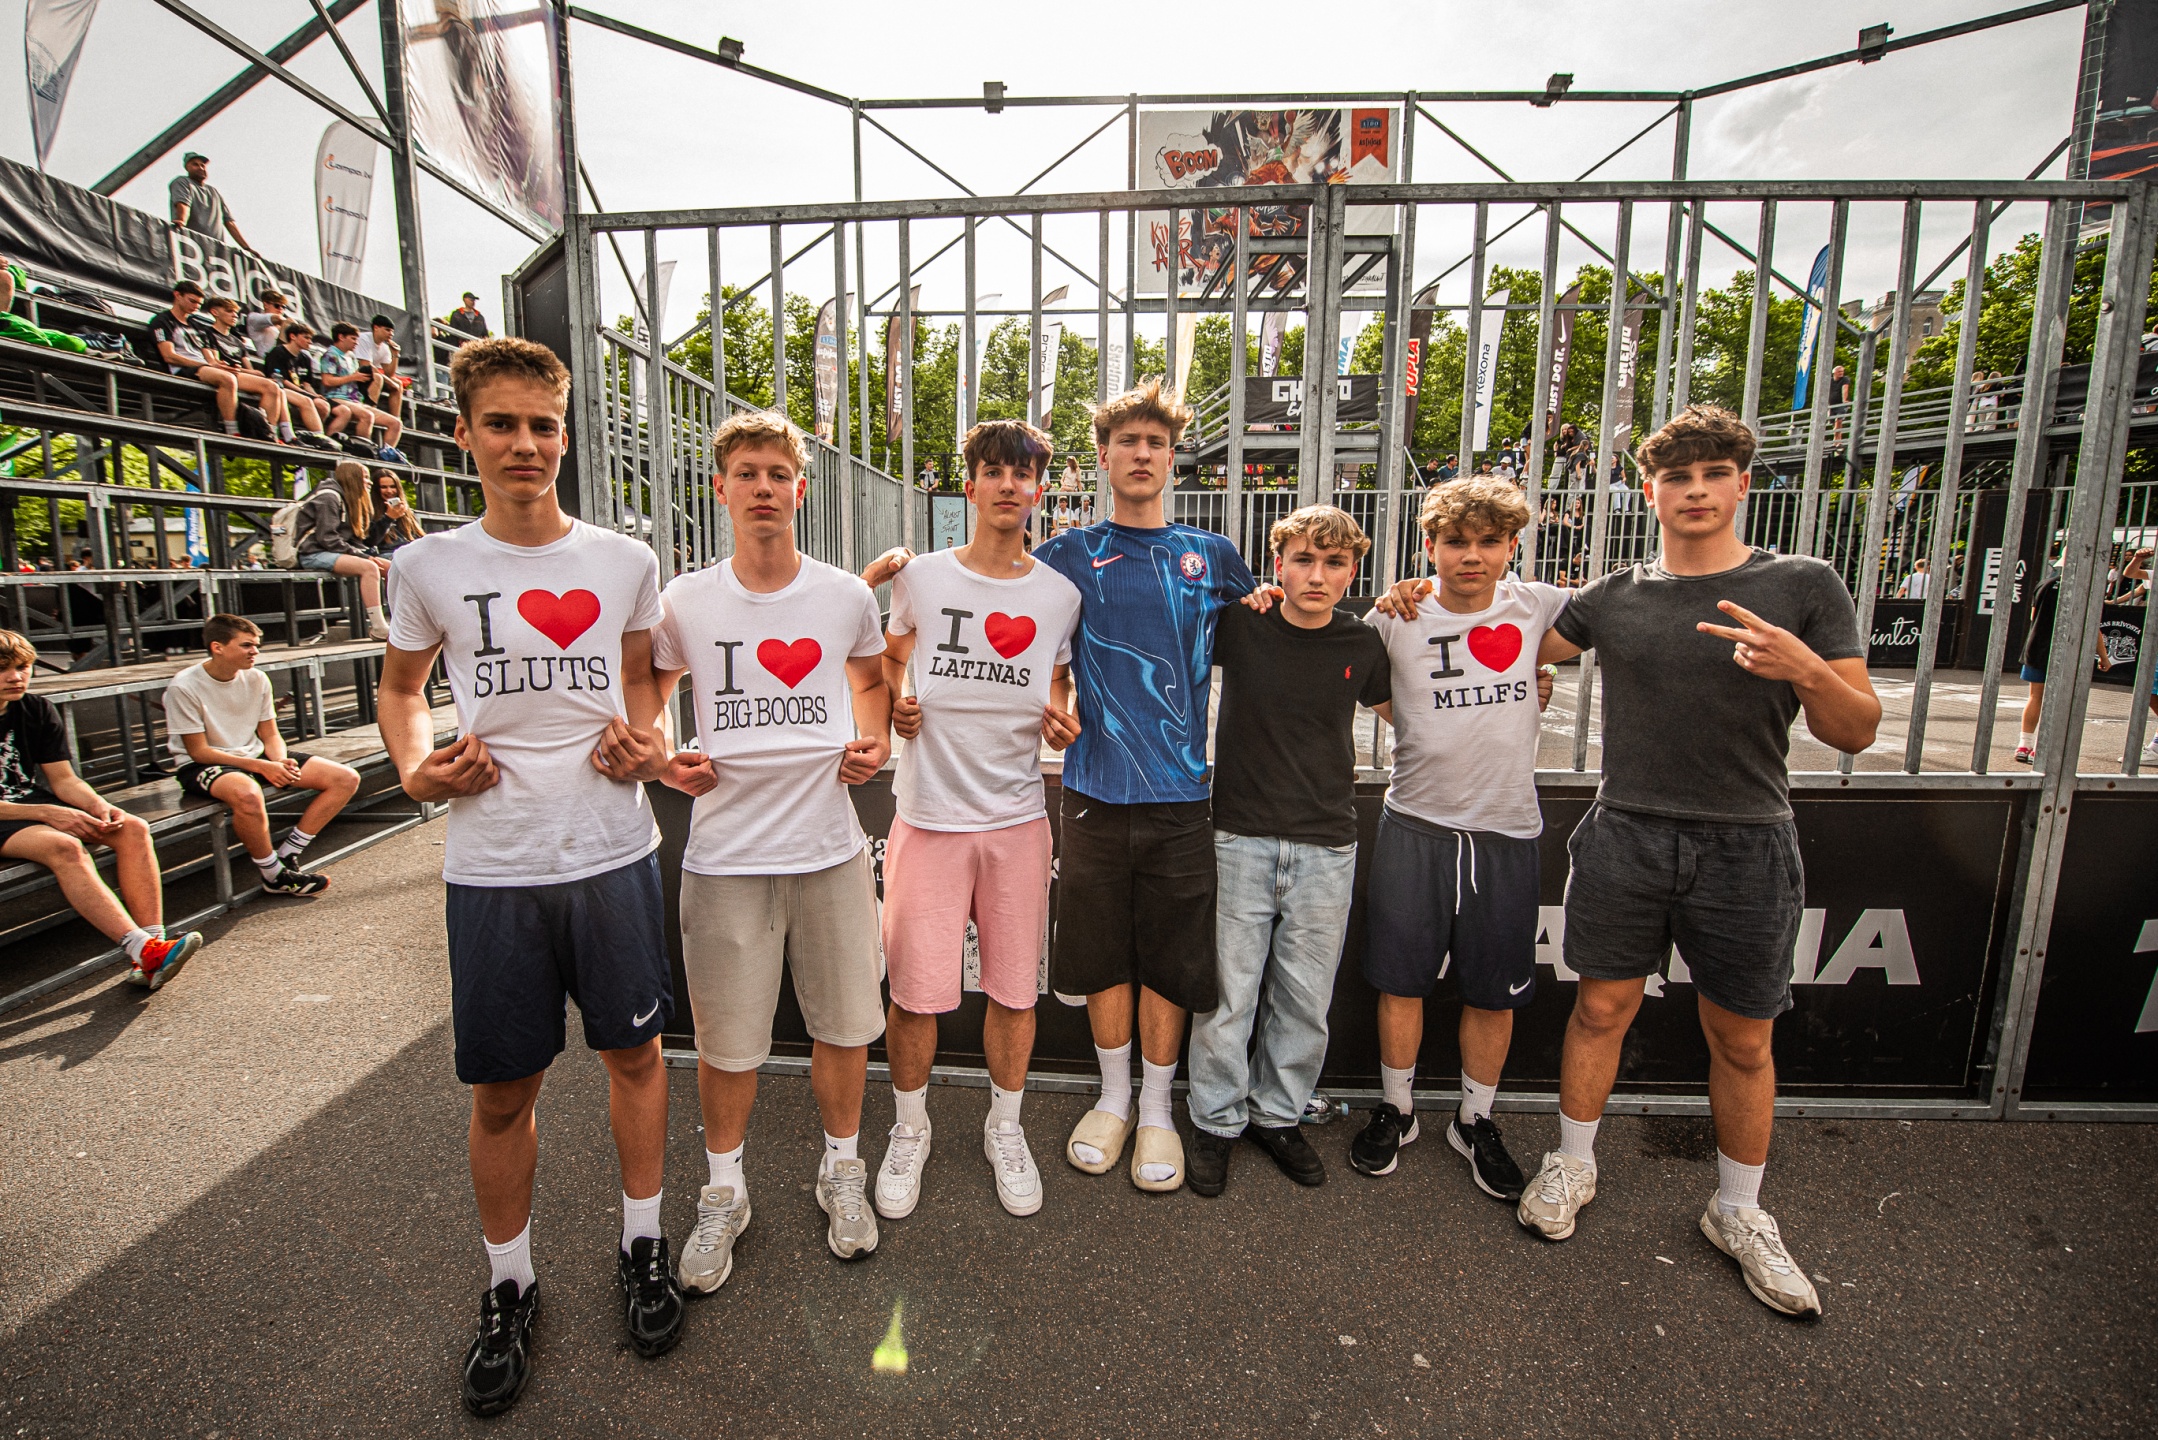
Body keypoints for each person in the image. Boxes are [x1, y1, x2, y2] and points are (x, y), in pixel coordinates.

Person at [1481, 404, 1875, 1317]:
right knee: (1600, 1010)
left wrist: (1805, 668)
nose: (1695, 491)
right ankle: (1572, 1164)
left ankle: (1739, 1210)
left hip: (1747, 839)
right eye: (1677, 477)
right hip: (1626, 831)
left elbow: (1855, 728)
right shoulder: (1617, 594)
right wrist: (1411, 599)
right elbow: (1502, 634)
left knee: (1742, 1037)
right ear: (1650, 491)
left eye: (1713, 474)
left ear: (1742, 485)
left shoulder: (1803, 584)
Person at [377, 336, 684, 1414]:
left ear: (565, 434)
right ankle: (508, 1284)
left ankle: (643, 1245)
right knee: (503, 1089)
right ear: (465, 434)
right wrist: (414, 768)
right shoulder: (426, 567)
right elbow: (402, 690)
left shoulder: (624, 560)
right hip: (494, 865)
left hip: (612, 853)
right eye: (501, 424)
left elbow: (643, 682)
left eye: (543, 425)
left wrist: (648, 742)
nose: (524, 444)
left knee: (635, 1054)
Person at [633, 408, 894, 1284]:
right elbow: (650, 688)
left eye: (778, 474)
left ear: (800, 489)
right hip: (725, 858)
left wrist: (873, 741)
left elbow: (869, 680)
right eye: (746, 473)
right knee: (727, 1044)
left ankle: (842, 1169)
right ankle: (724, 1191)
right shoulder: (686, 599)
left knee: (846, 1029)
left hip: (829, 849)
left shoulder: (843, 595)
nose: (763, 488)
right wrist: (663, 758)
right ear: (721, 489)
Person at [1030, 379, 1257, 1194]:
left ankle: (1158, 1108)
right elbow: (1029, 645)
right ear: (1102, 456)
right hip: (1093, 790)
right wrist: (1055, 702)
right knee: (1102, 954)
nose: (1141, 453)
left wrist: (1405, 602)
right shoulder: (1066, 554)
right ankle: (1115, 1099)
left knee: (1169, 957)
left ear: (1172, 458)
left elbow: (1287, 625)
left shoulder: (1212, 554)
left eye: (1155, 443)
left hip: (1182, 796)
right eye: (1127, 441)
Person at [867, 419, 1083, 1223]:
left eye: (1021, 474)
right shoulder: (921, 579)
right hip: (928, 816)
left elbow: (1056, 682)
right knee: (915, 995)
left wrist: (1060, 715)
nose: (1007, 485)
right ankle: (910, 1129)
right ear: (970, 485)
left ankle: (1005, 1127)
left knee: (1015, 992)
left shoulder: (1059, 595)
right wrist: (896, 704)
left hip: (1017, 820)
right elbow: (889, 658)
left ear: (1038, 491)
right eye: (993, 471)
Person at [1355, 478, 1567, 1200]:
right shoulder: (1396, 615)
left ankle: (1475, 1120)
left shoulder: (1536, 606)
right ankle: (1399, 1109)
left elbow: (1612, 618)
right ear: (1430, 545)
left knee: (1493, 993)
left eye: (1488, 542)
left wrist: (1537, 679)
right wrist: (1419, 721)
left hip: (1506, 830)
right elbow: (1368, 687)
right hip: (1415, 823)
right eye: (1455, 541)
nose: (1471, 555)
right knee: (1399, 981)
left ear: (1512, 546)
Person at [1182, 505, 1389, 1196]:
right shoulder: (1243, 625)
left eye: (1334, 563)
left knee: (1303, 1000)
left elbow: (1417, 709)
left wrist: (1533, 685)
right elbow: (1174, 625)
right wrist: (1240, 595)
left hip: (1327, 844)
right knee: (1229, 996)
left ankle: (1277, 1115)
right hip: (1240, 837)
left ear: (1352, 572)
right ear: (1278, 565)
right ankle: (1214, 1121)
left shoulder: (1363, 642)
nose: (1317, 575)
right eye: (1303, 559)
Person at [0, 629, 199, 987]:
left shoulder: (35, 708)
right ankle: (144, 950)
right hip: (11, 815)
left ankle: (151, 949)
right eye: (3, 669)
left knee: (132, 828)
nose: (16, 677)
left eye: (22, 667)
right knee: (64, 846)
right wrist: (46, 812)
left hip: (27, 803)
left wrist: (100, 805)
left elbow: (64, 780)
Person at [166, 614, 359, 897]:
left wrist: (279, 760)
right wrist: (261, 766)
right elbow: (199, 751)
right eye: (246, 645)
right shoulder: (184, 686)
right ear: (218, 647)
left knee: (345, 778)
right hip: (202, 764)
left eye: (257, 645)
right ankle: (273, 875)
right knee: (248, 794)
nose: (255, 651)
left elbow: (270, 734)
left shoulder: (257, 678)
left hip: (254, 754)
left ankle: (288, 854)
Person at [145, 282, 286, 439]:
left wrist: (220, 365)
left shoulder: (197, 325)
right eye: (192, 301)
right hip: (184, 368)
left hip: (207, 368)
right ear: (177, 295)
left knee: (271, 387)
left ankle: (268, 433)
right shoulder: (162, 321)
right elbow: (168, 356)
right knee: (228, 378)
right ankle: (232, 431)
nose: (195, 306)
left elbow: (209, 355)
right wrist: (209, 364)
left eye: (199, 304)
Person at [197, 296, 337, 450]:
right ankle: (247, 430)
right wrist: (240, 370)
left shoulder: (236, 340)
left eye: (236, 312)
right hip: (224, 374)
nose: (234, 315)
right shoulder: (208, 333)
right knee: (275, 387)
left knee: (276, 388)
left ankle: (275, 432)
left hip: (240, 374)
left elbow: (249, 367)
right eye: (229, 311)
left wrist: (252, 372)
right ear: (215, 312)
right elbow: (214, 362)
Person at [2015, 559, 2114, 766]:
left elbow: (2034, 616)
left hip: (2036, 646)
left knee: (2035, 697)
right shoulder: (2086, 590)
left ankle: (2024, 744)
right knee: (2058, 699)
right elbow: (2093, 627)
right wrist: (2103, 656)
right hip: (2066, 650)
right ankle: (2041, 746)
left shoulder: (2044, 584)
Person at [293, 461, 391, 639]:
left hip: (334, 551)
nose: (370, 482)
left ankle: (401, 620)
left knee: (392, 568)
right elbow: (327, 538)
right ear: (353, 478)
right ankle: (378, 627)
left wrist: (366, 554)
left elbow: (353, 539)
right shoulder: (329, 497)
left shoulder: (348, 498)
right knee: (369, 567)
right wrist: (361, 556)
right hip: (312, 552)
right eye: (365, 477)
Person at [263, 324, 359, 439]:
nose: (310, 341)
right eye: (306, 337)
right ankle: (317, 436)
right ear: (293, 336)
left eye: (310, 338)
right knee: (321, 405)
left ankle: (318, 436)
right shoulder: (278, 352)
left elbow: (307, 383)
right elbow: (281, 380)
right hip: (283, 389)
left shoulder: (305, 357)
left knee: (343, 411)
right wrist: (307, 394)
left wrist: (314, 394)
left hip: (302, 392)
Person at [319, 323, 405, 449]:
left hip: (355, 400)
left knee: (396, 423)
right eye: (353, 338)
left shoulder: (352, 357)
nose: (356, 342)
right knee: (367, 416)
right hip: (337, 398)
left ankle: (386, 454)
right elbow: (327, 381)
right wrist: (353, 377)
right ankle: (363, 450)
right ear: (341, 337)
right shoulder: (331, 354)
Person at [168, 152, 255, 253]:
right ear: (187, 167)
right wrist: (181, 221)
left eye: (203, 165)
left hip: (215, 250)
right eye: (195, 164)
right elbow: (183, 204)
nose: (201, 168)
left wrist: (246, 248)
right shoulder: (183, 182)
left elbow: (229, 222)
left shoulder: (214, 192)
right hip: (191, 246)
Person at [362, 315, 414, 416]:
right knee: (378, 378)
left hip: (372, 376)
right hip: (358, 373)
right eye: (387, 330)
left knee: (398, 383)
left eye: (392, 331)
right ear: (376, 328)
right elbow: (365, 366)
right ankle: (370, 414)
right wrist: (389, 381)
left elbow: (389, 373)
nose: (391, 334)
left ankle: (396, 419)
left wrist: (395, 354)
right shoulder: (364, 339)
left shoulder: (385, 347)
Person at [368, 471, 424, 555]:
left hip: (408, 552)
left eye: (393, 486)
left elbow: (418, 537)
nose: (389, 491)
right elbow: (370, 541)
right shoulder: (370, 510)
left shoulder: (407, 512)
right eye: (383, 487)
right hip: (386, 553)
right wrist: (388, 518)